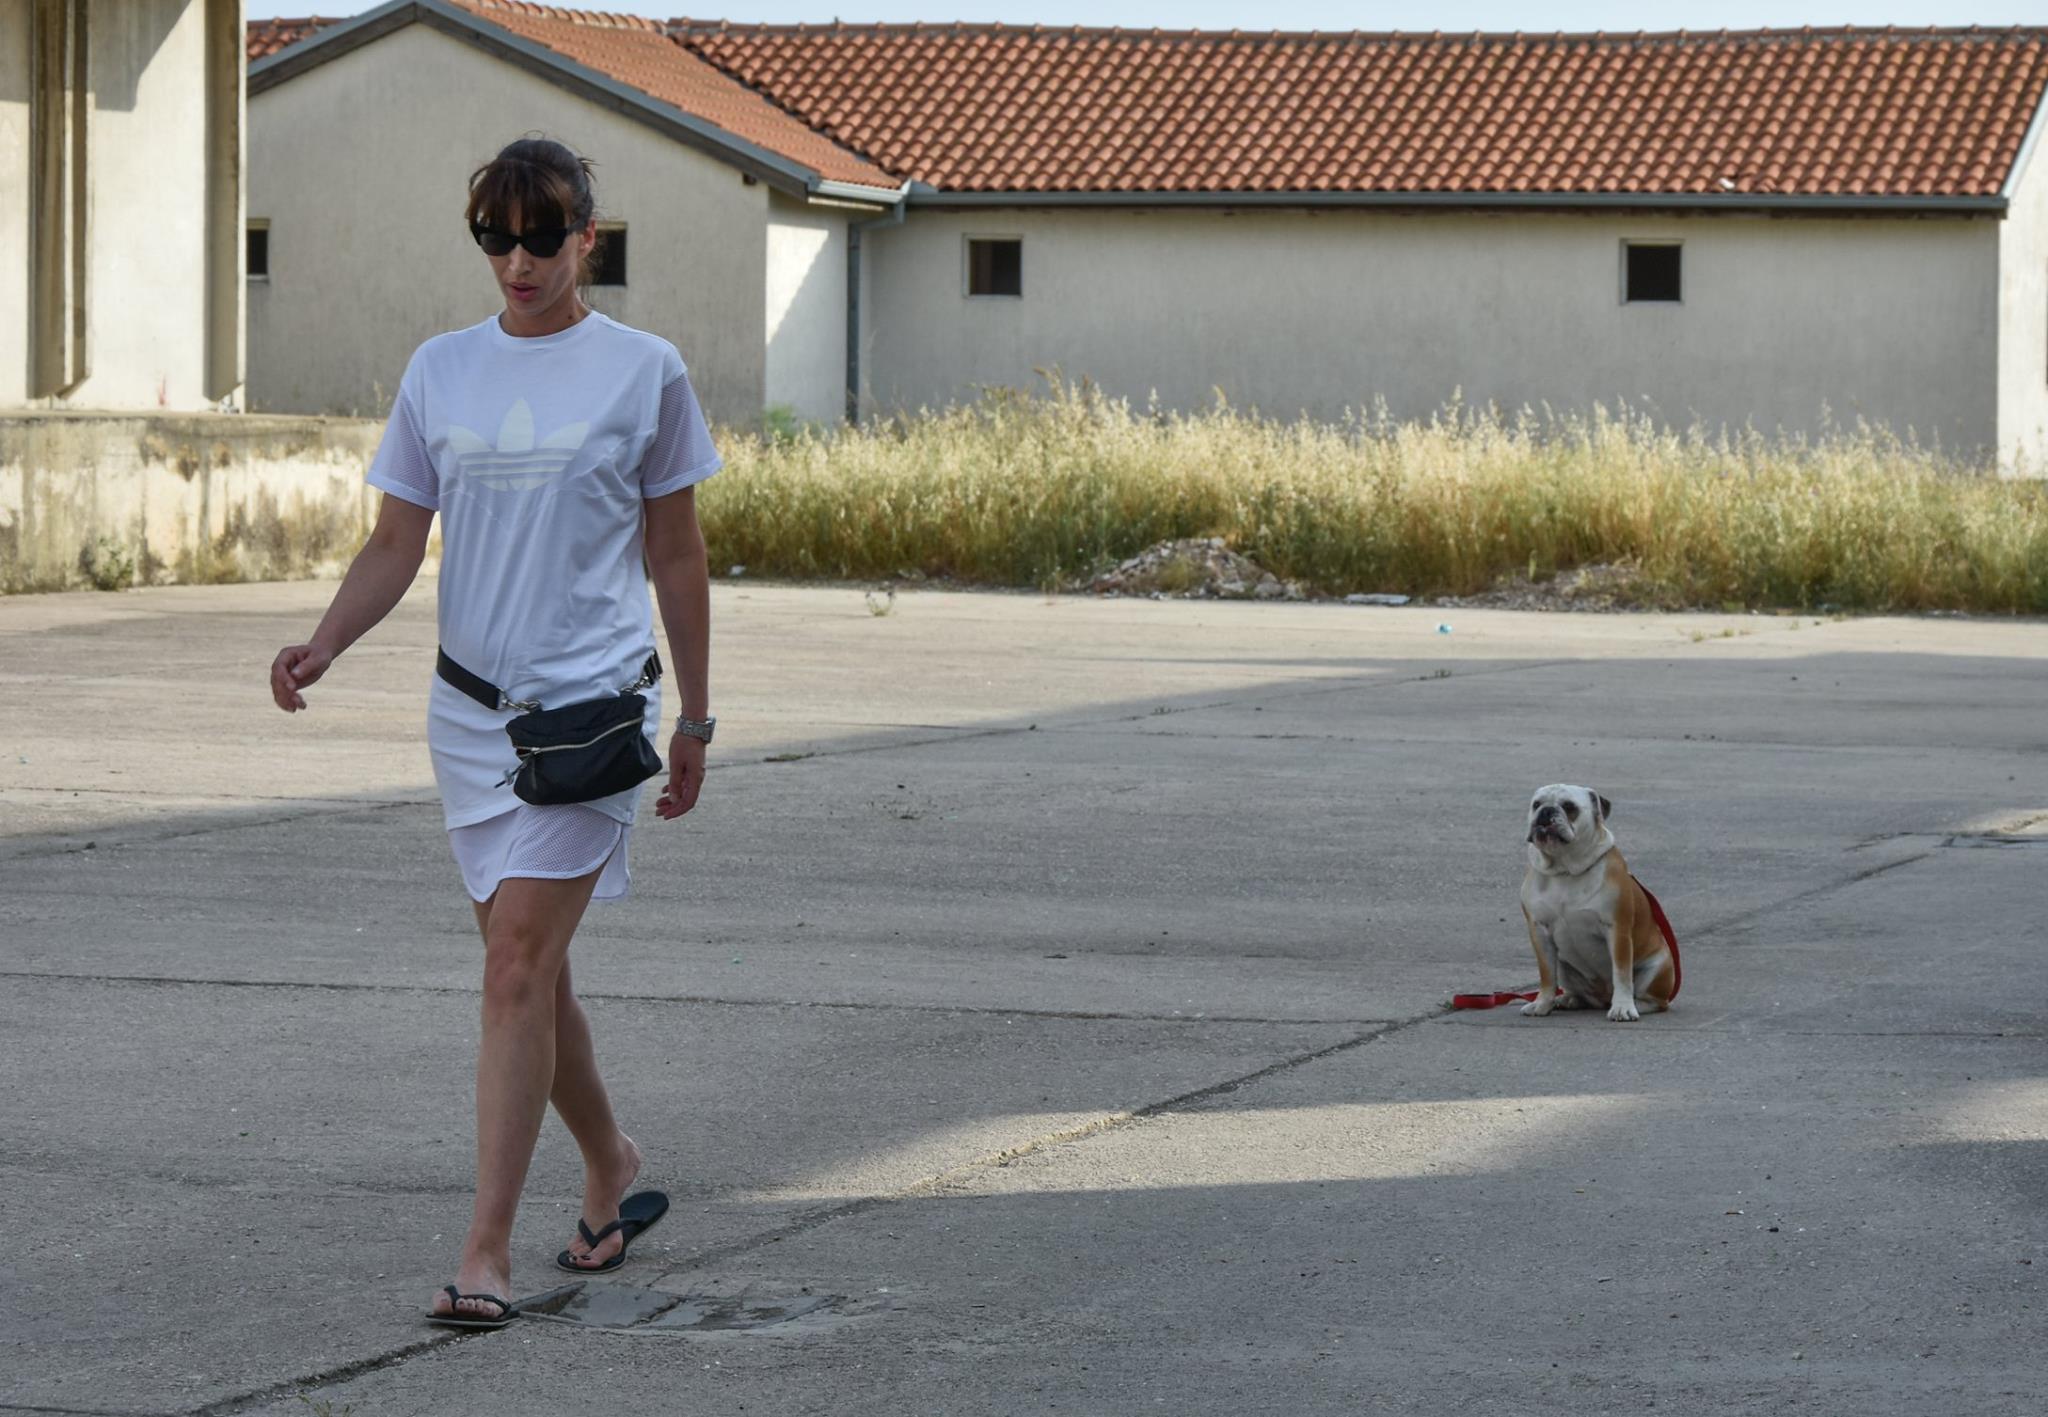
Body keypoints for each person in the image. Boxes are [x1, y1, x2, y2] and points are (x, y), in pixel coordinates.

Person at [267, 137, 722, 1328]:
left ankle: (484, 1253)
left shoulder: (645, 371)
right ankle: (612, 1161)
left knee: (513, 965)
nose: (517, 260)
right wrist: (324, 642)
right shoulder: (440, 368)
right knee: (535, 977)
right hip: (468, 721)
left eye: (541, 235)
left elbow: (676, 552)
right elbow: (394, 540)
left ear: (586, 236)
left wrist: (694, 713)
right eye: (494, 237)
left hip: (590, 717)